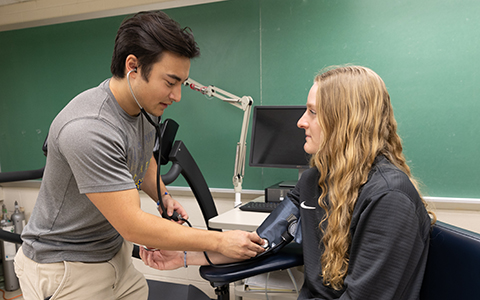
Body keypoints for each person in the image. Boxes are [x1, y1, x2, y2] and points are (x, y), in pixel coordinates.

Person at [14, 11, 265, 300]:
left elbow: (142, 155)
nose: (177, 96)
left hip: (113, 255)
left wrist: (162, 195)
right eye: (170, 82)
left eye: (181, 84)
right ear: (133, 66)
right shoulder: (89, 129)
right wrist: (220, 241)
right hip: (64, 268)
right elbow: (133, 224)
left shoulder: (144, 106)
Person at [140, 65, 435, 300]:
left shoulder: (389, 198)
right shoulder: (314, 180)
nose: (301, 122)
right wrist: (183, 257)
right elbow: (263, 241)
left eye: (313, 112)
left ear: (347, 121)